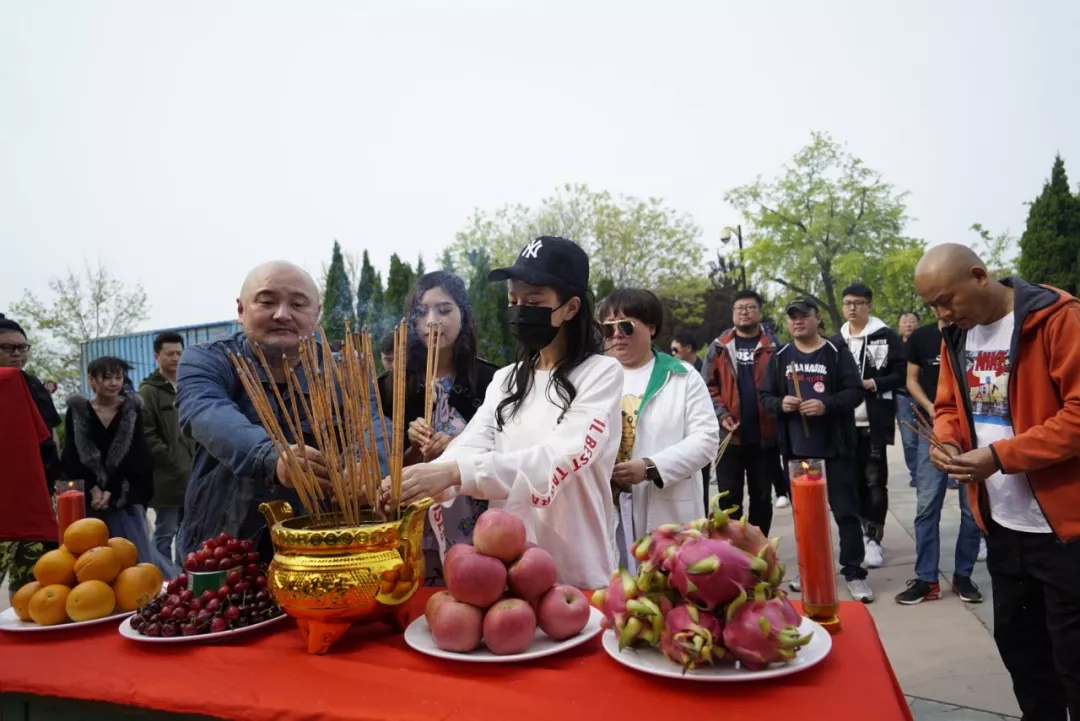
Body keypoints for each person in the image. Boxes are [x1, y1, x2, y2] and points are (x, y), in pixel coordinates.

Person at [382, 236, 623, 590]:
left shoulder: (600, 374)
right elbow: (472, 443)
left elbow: (559, 458)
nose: (520, 310)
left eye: (534, 301)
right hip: (509, 565)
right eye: (513, 300)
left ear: (570, 308)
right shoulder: (506, 380)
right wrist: (420, 479)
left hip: (576, 568)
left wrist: (452, 472)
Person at [917, 243, 1080, 720]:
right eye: (931, 306)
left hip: (1065, 532)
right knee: (1025, 659)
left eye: (946, 300)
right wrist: (945, 441)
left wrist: (999, 456)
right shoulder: (957, 336)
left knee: (1075, 663)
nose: (940, 314)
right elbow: (947, 406)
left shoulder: (1057, 318)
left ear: (979, 275)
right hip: (1003, 527)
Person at [175, 261, 389, 558]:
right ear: (241, 310)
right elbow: (206, 412)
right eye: (267, 301)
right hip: (224, 545)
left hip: (318, 547)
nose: (282, 314)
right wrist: (273, 456)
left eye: (298, 304)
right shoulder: (208, 360)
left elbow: (374, 423)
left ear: (317, 313)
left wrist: (367, 466)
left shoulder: (344, 370)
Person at [378, 271, 499, 585]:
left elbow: (505, 454)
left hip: (477, 520)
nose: (432, 321)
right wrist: (412, 446)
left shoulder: (492, 381)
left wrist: (458, 445)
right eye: (422, 312)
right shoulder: (389, 387)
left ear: (464, 316)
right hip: (410, 525)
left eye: (444, 310)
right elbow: (378, 465)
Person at [763, 296, 872, 602]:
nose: (797, 321)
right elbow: (766, 397)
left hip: (835, 450)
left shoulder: (836, 352)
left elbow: (854, 392)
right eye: (792, 317)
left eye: (803, 315)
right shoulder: (781, 355)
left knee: (846, 513)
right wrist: (780, 404)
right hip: (799, 453)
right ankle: (809, 569)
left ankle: (853, 572)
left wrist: (826, 405)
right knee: (806, 517)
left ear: (817, 319)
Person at [601, 288, 718, 571]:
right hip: (609, 507)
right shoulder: (593, 379)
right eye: (608, 328)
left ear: (651, 328)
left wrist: (652, 467)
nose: (617, 334)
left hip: (665, 505)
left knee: (669, 593)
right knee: (617, 594)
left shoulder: (682, 376)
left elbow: (706, 439)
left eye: (626, 325)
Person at [894, 311, 983, 605]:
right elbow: (911, 380)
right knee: (926, 505)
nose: (941, 306)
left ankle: (963, 575)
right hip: (932, 432)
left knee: (971, 510)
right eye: (935, 301)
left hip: (972, 434)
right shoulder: (921, 337)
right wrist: (932, 407)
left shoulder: (976, 331)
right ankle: (926, 579)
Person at [63, 356, 178, 578]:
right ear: (92, 380)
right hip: (89, 498)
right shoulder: (77, 412)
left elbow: (137, 456)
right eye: (107, 378)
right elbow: (72, 455)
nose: (114, 383)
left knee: (131, 560)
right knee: (91, 561)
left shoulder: (131, 410)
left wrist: (111, 490)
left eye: (118, 377)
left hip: (124, 494)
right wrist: (93, 488)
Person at [833, 283, 905, 569]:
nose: (853, 308)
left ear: (869, 306)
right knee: (848, 483)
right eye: (848, 303)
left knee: (875, 482)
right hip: (844, 423)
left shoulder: (885, 336)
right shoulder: (835, 341)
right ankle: (855, 536)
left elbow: (901, 373)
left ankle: (873, 538)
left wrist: (873, 383)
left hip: (873, 420)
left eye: (859, 303)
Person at [702, 289, 784, 532]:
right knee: (729, 499)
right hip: (730, 437)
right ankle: (734, 553)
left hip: (765, 437)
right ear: (733, 314)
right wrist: (721, 414)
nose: (745, 312)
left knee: (761, 497)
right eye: (740, 308)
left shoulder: (774, 347)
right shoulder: (719, 348)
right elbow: (707, 386)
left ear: (760, 313)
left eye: (750, 308)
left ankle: (759, 549)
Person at [139, 331, 193, 567]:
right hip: (167, 476)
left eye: (179, 353)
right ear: (157, 356)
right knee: (165, 531)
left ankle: (183, 576)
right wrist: (170, 458)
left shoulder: (188, 385)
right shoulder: (148, 391)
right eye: (169, 353)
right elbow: (146, 433)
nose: (175, 358)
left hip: (193, 473)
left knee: (188, 531)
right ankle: (160, 577)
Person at [669, 330, 714, 507]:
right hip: (679, 440)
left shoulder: (705, 370)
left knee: (700, 486)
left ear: (688, 348)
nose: (672, 354)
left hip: (700, 435)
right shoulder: (672, 372)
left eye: (675, 350)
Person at [896, 311, 922, 487]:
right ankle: (916, 475)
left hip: (925, 396)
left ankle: (945, 474)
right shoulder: (895, 347)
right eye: (904, 321)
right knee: (909, 439)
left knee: (933, 437)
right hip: (902, 397)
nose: (908, 324)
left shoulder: (925, 342)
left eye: (912, 321)